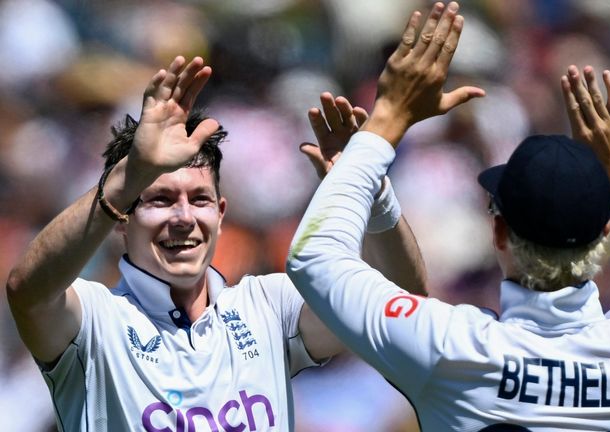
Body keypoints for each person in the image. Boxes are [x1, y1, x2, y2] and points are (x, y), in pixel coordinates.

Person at [285, 2, 610, 431]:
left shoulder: (451, 345)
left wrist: (384, 122)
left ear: (498, 231)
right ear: (605, 235)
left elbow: (314, 259)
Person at [5, 56, 426, 431]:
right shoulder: (95, 321)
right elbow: (28, 291)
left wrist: (370, 189)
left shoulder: (268, 305)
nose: (184, 218)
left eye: (200, 199)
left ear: (221, 214)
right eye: (160, 199)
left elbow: (402, 302)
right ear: (123, 221)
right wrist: (129, 174)